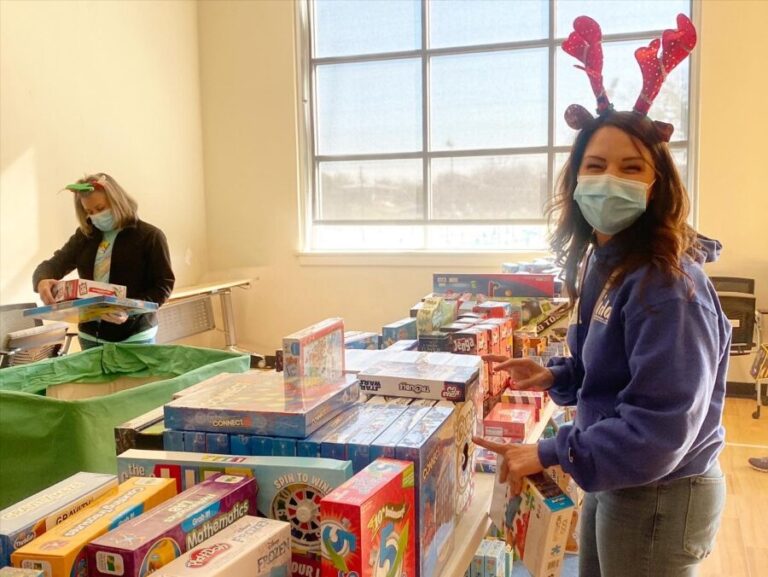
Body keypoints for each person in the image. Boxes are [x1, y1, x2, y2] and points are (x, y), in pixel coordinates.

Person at [474, 14, 730, 577]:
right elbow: (615, 370)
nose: (609, 178)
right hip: (621, 472)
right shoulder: (607, 260)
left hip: (662, 488)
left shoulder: (668, 285)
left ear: (655, 181)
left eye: (630, 167)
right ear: (575, 179)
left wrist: (549, 451)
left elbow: (661, 425)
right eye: (596, 165)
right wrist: (556, 376)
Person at [33, 173, 174, 349]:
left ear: (117, 201)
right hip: (90, 336)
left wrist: (129, 310)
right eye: (89, 212)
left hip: (134, 335)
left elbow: (163, 286)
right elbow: (54, 264)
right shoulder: (85, 236)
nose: (96, 216)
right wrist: (41, 280)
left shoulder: (150, 237)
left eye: (100, 208)